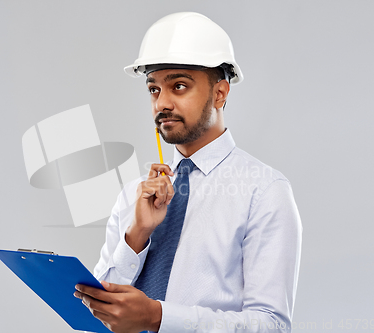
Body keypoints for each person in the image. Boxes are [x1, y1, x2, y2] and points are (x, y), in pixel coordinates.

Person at [73, 12, 302, 333]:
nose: (161, 103)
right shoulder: (134, 195)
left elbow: (271, 326)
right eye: (154, 89)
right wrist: (137, 234)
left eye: (179, 86)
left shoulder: (264, 191)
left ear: (220, 93)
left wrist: (157, 317)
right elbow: (95, 314)